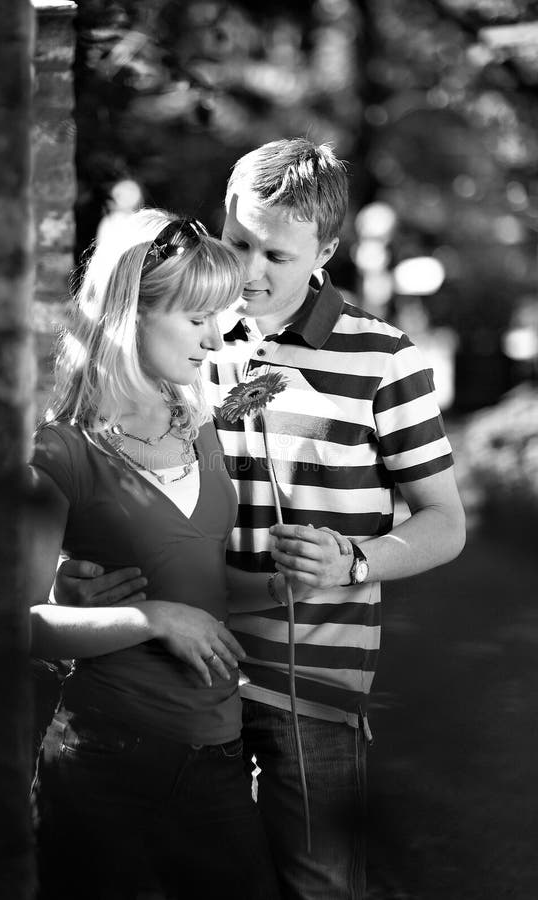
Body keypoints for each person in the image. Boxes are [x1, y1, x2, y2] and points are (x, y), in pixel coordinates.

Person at [56, 139, 466, 900]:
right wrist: (78, 573)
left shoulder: (383, 357)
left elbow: (445, 521)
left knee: (316, 884)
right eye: (238, 241)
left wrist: (357, 561)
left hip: (308, 685)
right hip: (177, 675)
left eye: (276, 255)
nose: (249, 271)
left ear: (327, 250)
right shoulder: (189, 336)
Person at [28, 208, 282, 900]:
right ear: (130, 315)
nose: (217, 334)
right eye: (196, 317)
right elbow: (11, 621)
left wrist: (290, 581)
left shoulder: (199, 428)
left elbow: (203, 583)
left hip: (219, 754)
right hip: (107, 760)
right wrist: (153, 620)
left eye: (218, 315)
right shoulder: (62, 451)